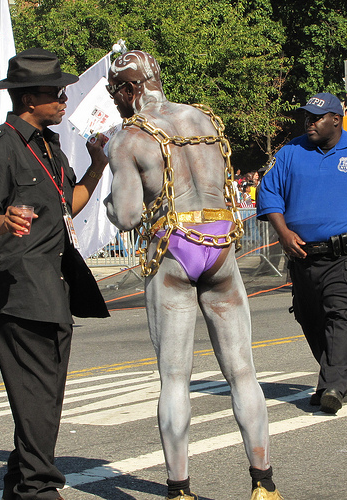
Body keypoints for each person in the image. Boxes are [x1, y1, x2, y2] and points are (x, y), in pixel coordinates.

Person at [103, 50, 283, 500]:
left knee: (175, 378)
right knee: (243, 372)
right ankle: (264, 484)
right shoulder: (203, 119)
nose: (115, 101)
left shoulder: (127, 139)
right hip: (219, 246)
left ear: (130, 88)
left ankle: (179, 489)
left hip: (173, 250)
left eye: (114, 92)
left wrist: (108, 193)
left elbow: (126, 217)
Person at [0, 48, 109, 500]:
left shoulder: (51, 147)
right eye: (56, 93)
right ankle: (39, 489)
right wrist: (5, 221)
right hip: (19, 292)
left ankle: (19, 483)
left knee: (44, 397)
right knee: (37, 395)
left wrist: (97, 167)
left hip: (55, 287)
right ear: (30, 98)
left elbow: (68, 205)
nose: (64, 100)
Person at [257, 92, 347, 414]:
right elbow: (268, 191)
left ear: (336, 120)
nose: (309, 123)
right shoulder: (290, 152)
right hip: (302, 257)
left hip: (346, 256)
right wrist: (283, 232)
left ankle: (333, 387)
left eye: (316, 118)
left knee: (341, 316)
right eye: (307, 117)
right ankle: (336, 379)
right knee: (310, 318)